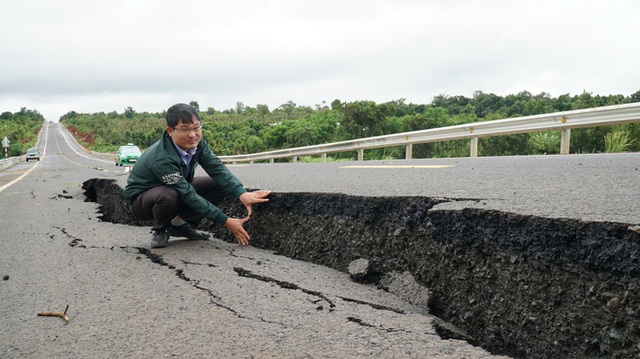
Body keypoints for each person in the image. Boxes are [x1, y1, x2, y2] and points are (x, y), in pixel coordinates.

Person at [123, 103, 271, 248]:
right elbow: (187, 194)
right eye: (185, 129)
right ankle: (162, 229)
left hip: (176, 189)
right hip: (142, 202)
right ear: (170, 131)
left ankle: (180, 224)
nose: (192, 134)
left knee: (218, 184)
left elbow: (216, 168)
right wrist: (226, 221)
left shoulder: (197, 143)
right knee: (168, 194)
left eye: (196, 127)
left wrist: (242, 193)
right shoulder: (161, 158)